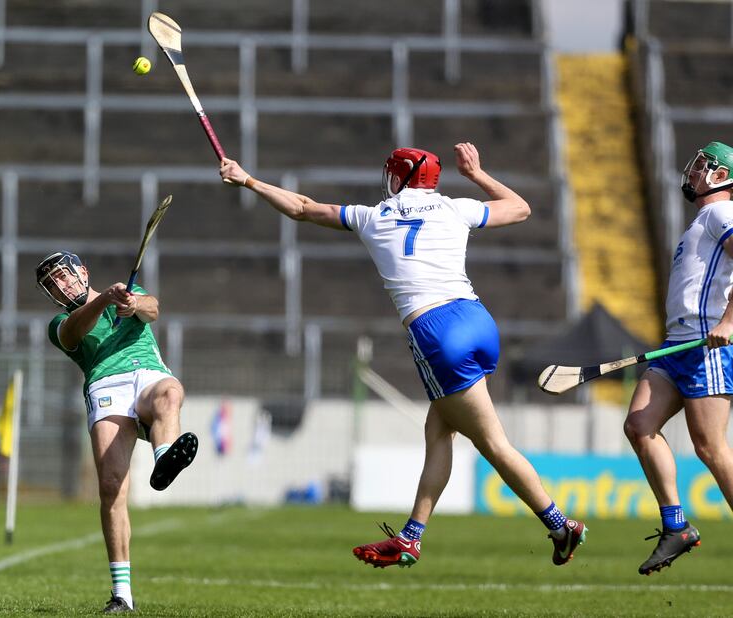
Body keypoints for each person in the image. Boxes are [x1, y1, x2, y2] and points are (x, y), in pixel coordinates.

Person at [219, 143, 587, 568]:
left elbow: (301, 207)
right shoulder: (454, 208)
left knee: (493, 444)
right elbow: (520, 208)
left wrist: (247, 179)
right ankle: (412, 535)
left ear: (402, 178)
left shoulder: (373, 216)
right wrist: (477, 174)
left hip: (437, 333)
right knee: (440, 427)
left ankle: (561, 526)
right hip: (478, 320)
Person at [35, 251, 198, 613]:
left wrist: (133, 301)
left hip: (146, 373)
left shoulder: (128, 290)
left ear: (82, 272)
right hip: (106, 384)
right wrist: (106, 299)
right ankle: (122, 594)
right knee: (111, 488)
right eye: (52, 285)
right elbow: (76, 330)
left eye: (62, 276)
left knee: (171, 393)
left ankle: (163, 459)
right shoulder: (61, 323)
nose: (60, 286)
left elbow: (153, 309)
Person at [623, 141, 733, 575]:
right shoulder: (702, 221)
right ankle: (676, 526)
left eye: (702, 166)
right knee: (639, 425)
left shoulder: (721, 213)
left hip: (706, 343)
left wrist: (728, 322)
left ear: (721, 175)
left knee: (709, 446)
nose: (692, 172)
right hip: (676, 346)